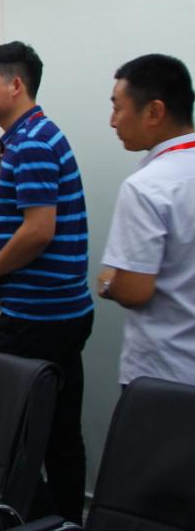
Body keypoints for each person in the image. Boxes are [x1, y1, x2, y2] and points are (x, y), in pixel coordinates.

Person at [0, 41, 93, 524]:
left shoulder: (33, 142)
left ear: (15, 85)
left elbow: (39, 230)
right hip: (59, 314)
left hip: (38, 319)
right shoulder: (32, 135)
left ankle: (23, 523)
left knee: (4, 429)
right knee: (58, 434)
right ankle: (63, 525)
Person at [98, 54, 195, 386]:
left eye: (117, 108)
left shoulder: (147, 186)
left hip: (164, 372)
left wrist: (108, 283)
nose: (113, 122)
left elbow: (134, 291)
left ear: (154, 111)